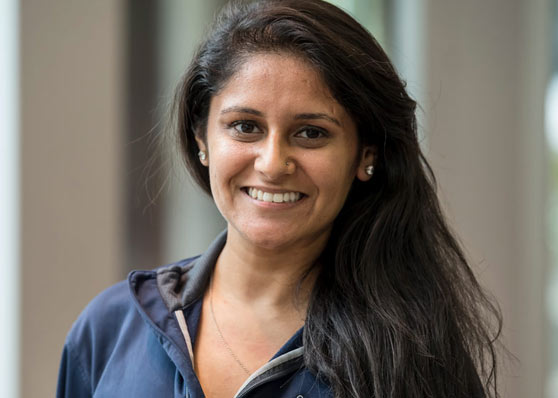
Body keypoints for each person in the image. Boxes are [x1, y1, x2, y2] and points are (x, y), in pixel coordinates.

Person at [57, 0, 502, 397]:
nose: (273, 163)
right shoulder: (112, 328)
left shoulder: (416, 354)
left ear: (365, 155)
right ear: (202, 139)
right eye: (245, 126)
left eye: (311, 133)